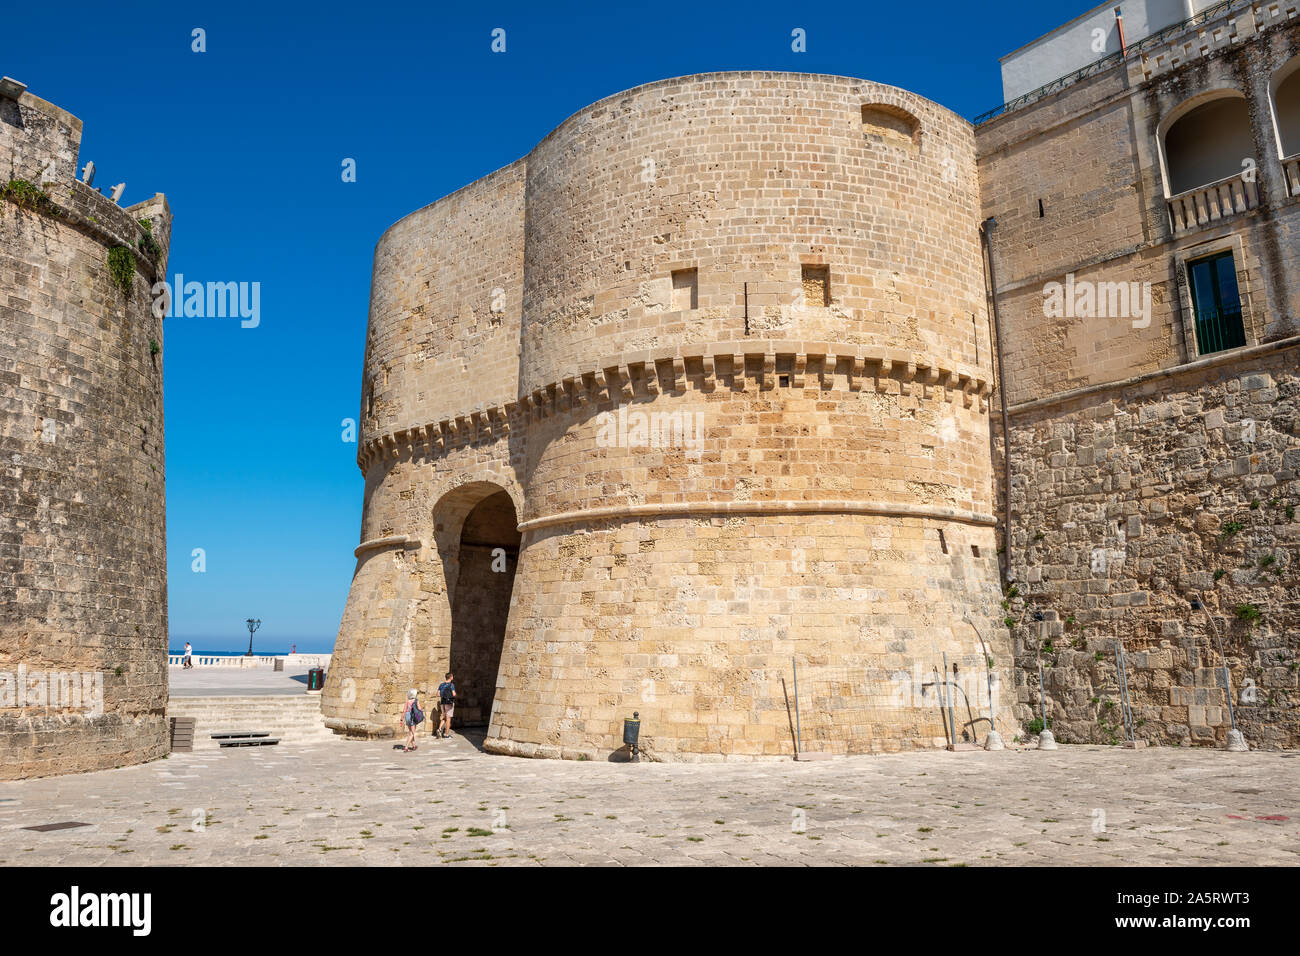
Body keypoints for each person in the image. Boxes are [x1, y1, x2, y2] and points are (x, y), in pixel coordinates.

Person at [436, 672, 456, 739]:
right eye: (452, 676)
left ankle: (439, 729)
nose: (453, 677)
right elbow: (453, 694)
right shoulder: (451, 685)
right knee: (448, 719)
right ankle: (447, 735)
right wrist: (454, 694)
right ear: (450, 677)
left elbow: (437, 694)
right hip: (449, 703)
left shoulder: (441, 685)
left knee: (444, 717)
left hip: (442, 703)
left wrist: (443, 695)